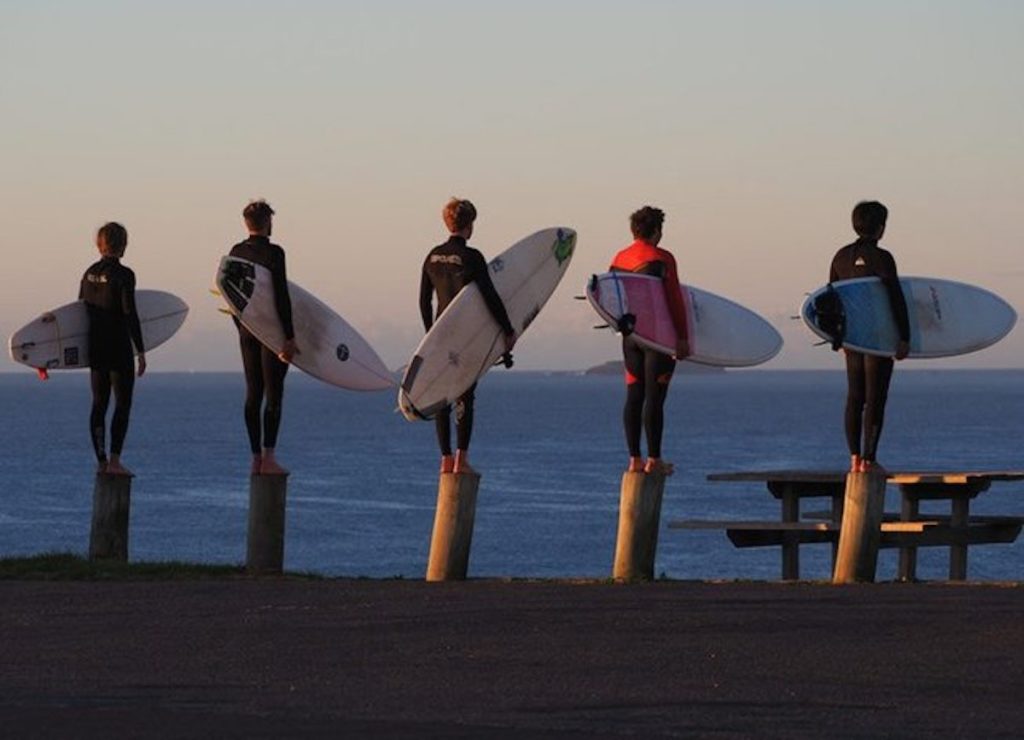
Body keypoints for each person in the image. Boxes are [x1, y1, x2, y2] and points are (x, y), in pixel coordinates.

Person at [419, 198, 516, 475]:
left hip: (441, 335)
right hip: (466, 335)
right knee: (464, 396)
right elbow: (490, 297)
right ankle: (461, 461)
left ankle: (445, 459)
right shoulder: (472, 257)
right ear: (469, 225)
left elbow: (424, 301)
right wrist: (507, 330)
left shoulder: (432, 256)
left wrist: (430, 335)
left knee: (443, 396)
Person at [609, 206, 690, 476]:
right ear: (656, 231)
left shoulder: (619, 258)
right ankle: (654, 460)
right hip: (658, 339)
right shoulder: (663, 258)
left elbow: (611, 298)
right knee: (655, 398)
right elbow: (674, 300)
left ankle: (634, 460)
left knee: (634, 397)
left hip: (631, 339)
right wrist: (682, 337)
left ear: (634, 231)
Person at [829, 200, 910, 473]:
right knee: (876, 398)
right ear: (880, 227)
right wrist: (904, 337)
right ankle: (869, 460)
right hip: (878, 338)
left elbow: (832, 300)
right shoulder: (882, 258)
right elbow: (896, 299)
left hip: (854, 339)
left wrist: (838, 338)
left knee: (855, 397)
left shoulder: (840, 257)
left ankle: (854, 458)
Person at [230, 200, 297, 475]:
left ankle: (255, 457)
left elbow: (231, 295)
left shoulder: (236, 252)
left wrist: (241, 326)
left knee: (253, 392)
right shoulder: (274, 253)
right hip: (271, 332)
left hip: (248, 330)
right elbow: (281, 296)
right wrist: (289, 337)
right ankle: (269, 457)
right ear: (268, 222)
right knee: (274, 393)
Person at [80, 222, 146, 476]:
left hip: (95, 347)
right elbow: (130, 313)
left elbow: (80, 309)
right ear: (123, 245)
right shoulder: (125, 275)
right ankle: (115, 462)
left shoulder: (88, 273)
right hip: (119, 348)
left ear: (99, 245)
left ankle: (101, 461)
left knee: (99, 404)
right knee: (122, 404)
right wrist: (141, 350)